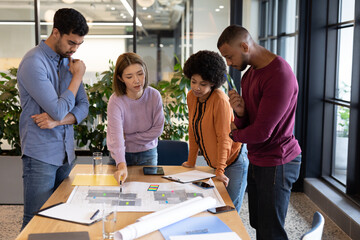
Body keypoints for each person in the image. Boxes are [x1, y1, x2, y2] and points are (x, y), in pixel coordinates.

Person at [217, 25, 302, 240]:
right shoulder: (248, 75)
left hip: (277, 161)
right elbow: (248, 122)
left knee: (270, 231)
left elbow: (262, 131)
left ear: (245, 46)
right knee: (258, 223)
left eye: (229, 56)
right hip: (257, 157)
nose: (228, 63)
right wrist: (240, 113)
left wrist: (233, 135)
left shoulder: (279, 75)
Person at [17, 8, 89, 229]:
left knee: (60, 219)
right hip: (40, 155)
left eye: (79, 44)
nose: (74, 49)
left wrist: (57, 122)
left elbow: (83, 107)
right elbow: (58, 109)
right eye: (71, 42)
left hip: (66, 154)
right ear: (56, 33)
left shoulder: (68, 60)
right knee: (34, 222)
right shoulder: (33, 62)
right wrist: (77, 77)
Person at [181, 50, 249, 213]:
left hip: (232, 161)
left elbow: (224, 138)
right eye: (193, 81)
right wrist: (191, 162)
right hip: (215, 161)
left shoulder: (220, 100)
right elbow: (193, 129)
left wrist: (220, 170)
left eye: (203, 84)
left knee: (229, 211)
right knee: (214, 208)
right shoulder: (191, 97)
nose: (196, 87)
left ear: (213, 82)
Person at [107, 52, 165, 184]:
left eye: (140, 73)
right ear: (121, 78)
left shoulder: (154, 96)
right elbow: (117, 137)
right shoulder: (115, 101)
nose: (137, 80)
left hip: (147, 154)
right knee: (117, 194)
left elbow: (157, 130)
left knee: (148, 193)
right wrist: (121, 165)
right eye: (129, 76)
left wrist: (128, 137)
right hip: (120, 154)